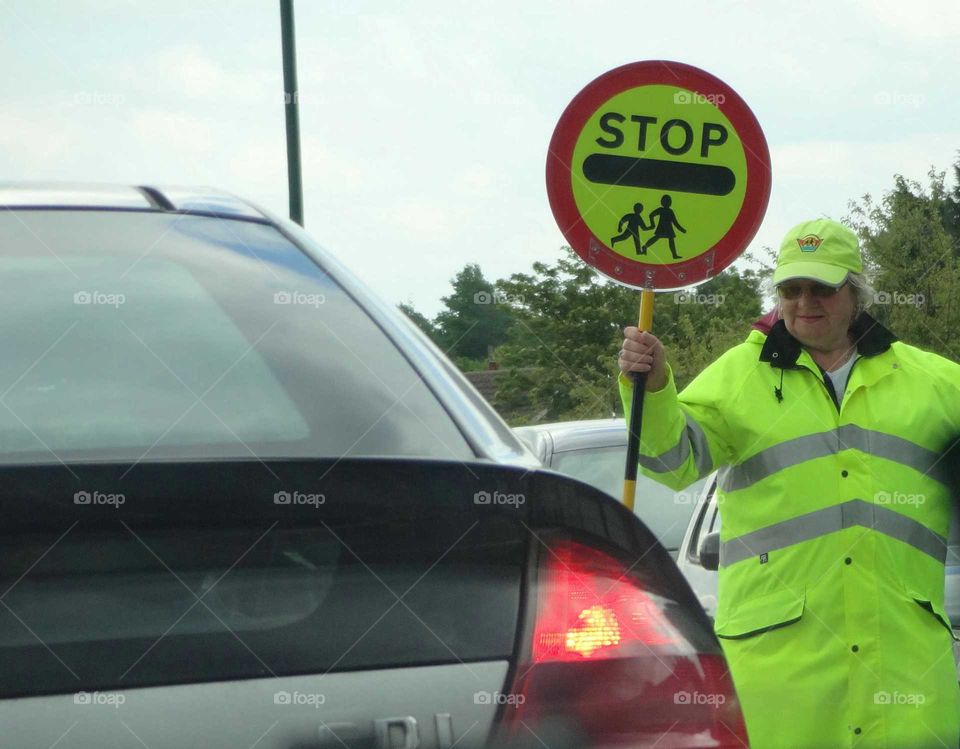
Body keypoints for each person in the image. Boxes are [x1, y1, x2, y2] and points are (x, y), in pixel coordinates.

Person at [617, 218, 960, 748]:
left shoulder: (934, 382)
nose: (805, 302)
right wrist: (655, 386)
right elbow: (670, 461)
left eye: (822, 288)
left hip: (906, 685)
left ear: (856, 293)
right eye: (791, 289)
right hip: (778, 691)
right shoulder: (739, 375)